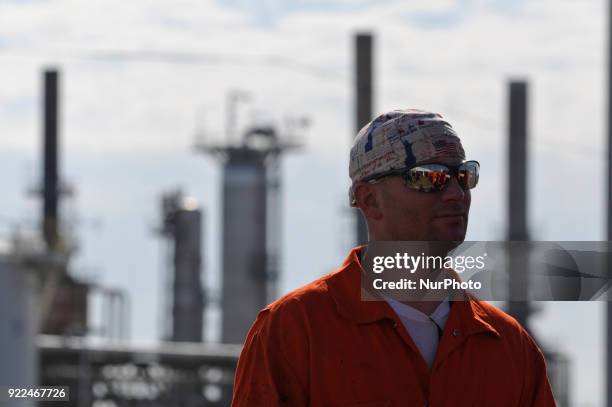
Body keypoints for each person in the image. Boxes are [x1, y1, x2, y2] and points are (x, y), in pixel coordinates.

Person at [231, 109, 556, 406]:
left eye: (463, 175)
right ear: (369, 200)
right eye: (430, 177)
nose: (456, 194)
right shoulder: (296, 331)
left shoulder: (509, 347)